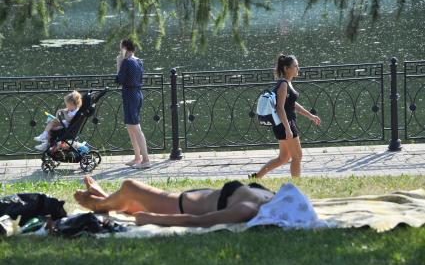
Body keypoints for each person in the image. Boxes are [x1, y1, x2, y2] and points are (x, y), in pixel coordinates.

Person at [74, 175, 275, 227]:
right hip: (192, 196)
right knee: (132, 196)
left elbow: (196, 221)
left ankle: (99, 204)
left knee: (129, 187)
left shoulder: (247, 209)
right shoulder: (272, 197)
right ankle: (107, 199)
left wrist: (151, 219)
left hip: (179, 206)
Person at [250, 54, 321, 179]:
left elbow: (293, 105)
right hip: (285, 123)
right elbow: (280, 107)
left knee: (283, 158)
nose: (298, 68)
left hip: (282, 124)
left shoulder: (287, 83)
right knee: (297, 156)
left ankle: (256, 177)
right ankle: (296, 184)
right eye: (295, 66)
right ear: (286, 68)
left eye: (298, 66)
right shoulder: (283, 84)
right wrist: (288, 128)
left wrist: (310, 116)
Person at [116, 39, 150, 169]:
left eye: (121, 48)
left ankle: (146, 160)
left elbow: (119, 80)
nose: (120, 51)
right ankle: (137, 157)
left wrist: (119, 63)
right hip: (137, 94)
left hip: (130, 95)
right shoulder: (139, 61)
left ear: (124, 48)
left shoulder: (126, 62)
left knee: (136, 128)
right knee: (130, 127)